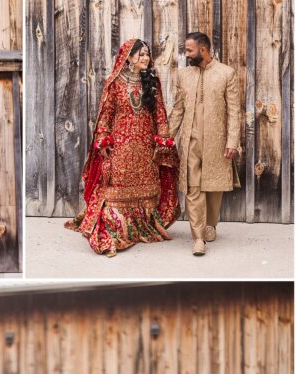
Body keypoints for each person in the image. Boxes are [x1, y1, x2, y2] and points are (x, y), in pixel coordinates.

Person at [66, 38, 180, 256]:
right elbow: (106, 116)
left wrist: (163, 138)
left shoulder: (152, 82)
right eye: (141, 54)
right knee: (115, 187)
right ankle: (114, 230)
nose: (146, 57)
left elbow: (160, 113)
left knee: (147, 185)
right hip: (121, 145)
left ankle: (140, 227)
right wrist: (103, 139)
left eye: (147, 54)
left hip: (146, 145)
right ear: (128, 57)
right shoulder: (115, 82)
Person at [168, 31, 240, 256]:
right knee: (193, 187)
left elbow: (234, 111)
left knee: (214, 186)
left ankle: (211, 225)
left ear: (203, 50)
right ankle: (198, 237)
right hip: (190, 139)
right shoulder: (183, 75)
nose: (186, 53)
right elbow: (178, 109)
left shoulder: (226, 73)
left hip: (217, 141)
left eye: (189, 50)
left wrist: (232, 141)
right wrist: (167, 137)